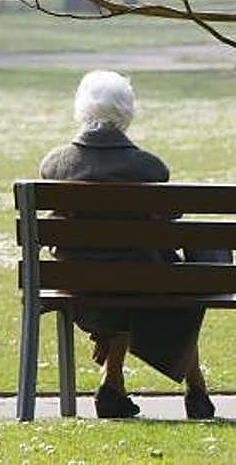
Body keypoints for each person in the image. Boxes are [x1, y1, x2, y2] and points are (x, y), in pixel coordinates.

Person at [40, 70, 216, 420]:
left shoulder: (54, 167)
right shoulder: (149, 168)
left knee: (132, 274)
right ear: (127, 112)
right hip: (144, 284)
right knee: (179, 275)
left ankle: (113, 376)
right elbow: (170, 220)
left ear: (81, 110)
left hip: (80, 286)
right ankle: (195, 387)